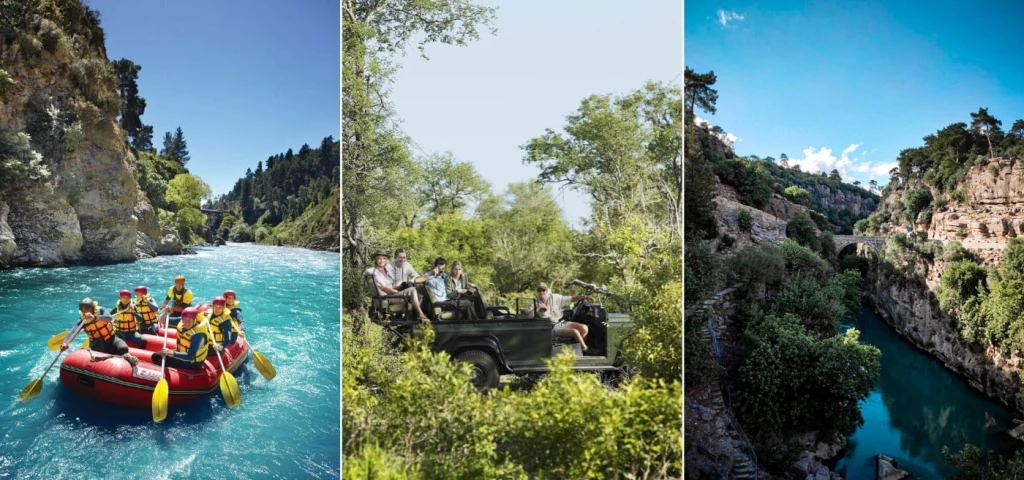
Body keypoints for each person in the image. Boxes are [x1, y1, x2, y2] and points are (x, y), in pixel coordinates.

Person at [62, 298, 138, 365]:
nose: (85, 311)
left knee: (123, 348)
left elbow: (109, 318)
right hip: (97, 343)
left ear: (92, 308)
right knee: (102, 351)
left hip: (111, 338)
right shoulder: (82, 320)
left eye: (87, 308)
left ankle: (125, 356)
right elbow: (73, 332)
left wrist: (94, 318)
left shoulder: (101, 310)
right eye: (83, 309)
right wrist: (65, 343)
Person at [525, 283, 595, 351]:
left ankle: (579, 349)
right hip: (550, 328)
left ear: (547, 291)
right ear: (537, 292)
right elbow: (529, 316)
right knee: (575, 332)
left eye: (543, 290)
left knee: (584, 328)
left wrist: (585, 297)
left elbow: (572, 298)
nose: (541, 292)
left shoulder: (555, 297)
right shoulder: (535, 303)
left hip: (560, 323)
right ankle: (585, 349)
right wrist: (538, 307)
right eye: (539, 290)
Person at [371, 250, 428, 321]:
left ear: (386, 260)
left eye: (384, 259)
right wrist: (396, 291)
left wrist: (398, 287)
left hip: (390, 294)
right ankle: (420, 315)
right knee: (412, 290)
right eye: (379, 259)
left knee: (418, 295)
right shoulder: (377, 272)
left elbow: (388, 285)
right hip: (387, 297)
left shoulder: (385, 270)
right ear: (376, 260)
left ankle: (411, 320)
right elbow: (384, 288)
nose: (382, 261)